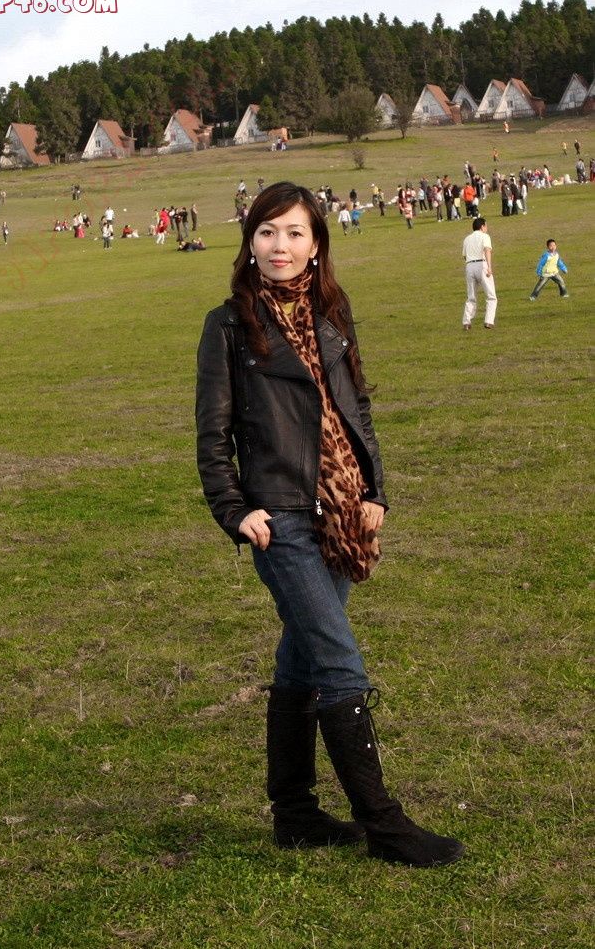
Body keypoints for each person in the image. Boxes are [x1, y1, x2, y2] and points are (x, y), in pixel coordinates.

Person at [196, 181, 464, 867]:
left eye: (294, 232)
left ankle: (294, 814)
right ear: (249, 242)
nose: (279, 246)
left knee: (301, 657)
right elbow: (213, 434)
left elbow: (356, 407)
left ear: (316, 244)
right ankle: (384, 824)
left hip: (343, 510)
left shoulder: (332, 314)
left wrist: (375, 490)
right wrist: (235, 510)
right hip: (280, 517)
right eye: (266, 232)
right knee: (339, 659)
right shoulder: (228, 325)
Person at [461, 217, 496, 331]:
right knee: (491, 295)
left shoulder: (467, 239)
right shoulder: (485, 236)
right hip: (482, 265)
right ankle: (489, 321)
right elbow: (487, 250)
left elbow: (464, 256)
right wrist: (489, 267)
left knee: (471, 296)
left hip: (469, 265)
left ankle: (466, 321)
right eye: (486, 226)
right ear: (482, 226)